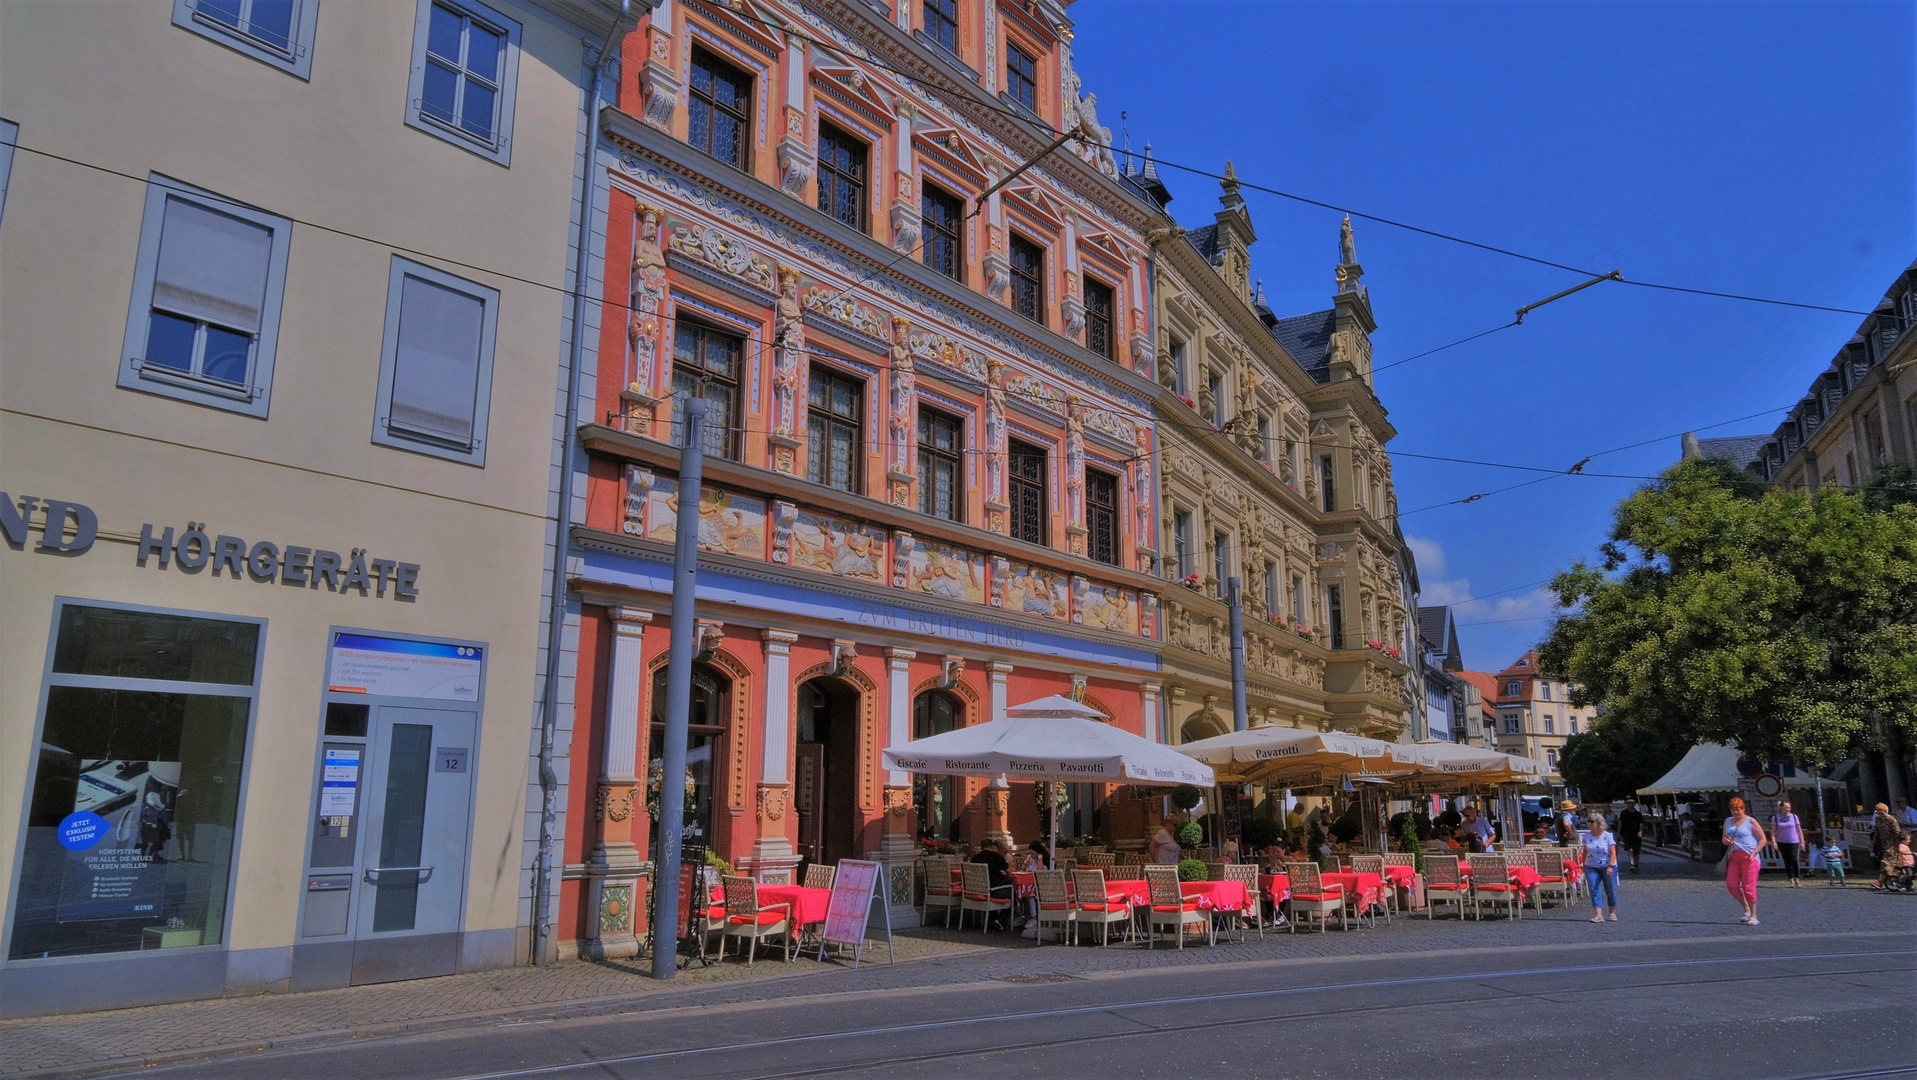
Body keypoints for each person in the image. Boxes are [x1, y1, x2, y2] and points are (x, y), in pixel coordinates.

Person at [1722, 797, 1769, 925]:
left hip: (1749, 857)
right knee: (1732, 885)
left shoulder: (1750, 821)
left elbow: (1763, 839)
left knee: (1749, 887)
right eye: (1733, 810)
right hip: (1734, 856)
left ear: (1743, 809)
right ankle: (1746, 908)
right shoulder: (1728, 821)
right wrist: (1727, 842)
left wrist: (1755, 852)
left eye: (1737, 809)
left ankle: (1754, 915)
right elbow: (1724, 839)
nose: (1735, 812)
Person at [1582, 813, 1620, 922]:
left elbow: (1613, 853)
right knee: (1594, 889)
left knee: (1611, 889)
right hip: (1591, 865)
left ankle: (1612, 913)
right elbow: (1585, 851)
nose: (1589, 823)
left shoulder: (1607, 836)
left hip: (1607, 865)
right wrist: (1583, 864)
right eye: (1588, 821)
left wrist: (1611, 866)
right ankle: (1598, 914)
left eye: (1591, 821)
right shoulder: (1586, 836)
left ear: (1599, 822)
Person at [969, 839, 1015, 929]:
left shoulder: (975, 858)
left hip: (978, 890)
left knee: (996, 888)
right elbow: (1009, 872)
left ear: (982, 847)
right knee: (1013, 892)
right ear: (992, 847)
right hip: (992, 891)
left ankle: (992, 918)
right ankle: (1001, 919)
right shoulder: (996, 856)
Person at [1769, 801, 1805, 888]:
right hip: (1782, 841)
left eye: (1789, 807)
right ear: (1781, 808)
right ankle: (1790, 879)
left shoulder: (1794, 816)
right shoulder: (1776, 817)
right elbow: (1773, 831)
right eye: (1786, 807)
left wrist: (1802, 841)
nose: (1788, 809)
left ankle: (1797, 878)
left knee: (1794, 859)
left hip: (1794, 841)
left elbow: (1799, 829)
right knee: (1787, 861)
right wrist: (1774, 841)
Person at [1618, 801, 1644, 872]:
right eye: (1628, 803)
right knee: (1630, 849)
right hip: (1627, 833)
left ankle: (1636, 864)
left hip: (1636, 834)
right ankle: (1632, 864)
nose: (1629, 805)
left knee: (1637, 850)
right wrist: (1619, 832)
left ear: (1634, 804)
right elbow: (1620, 822)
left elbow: (1641, 823)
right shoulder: (1624, 813)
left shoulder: (1638, 814)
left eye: (1630, 803)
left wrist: (1640, 831)